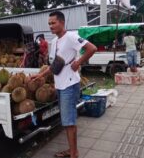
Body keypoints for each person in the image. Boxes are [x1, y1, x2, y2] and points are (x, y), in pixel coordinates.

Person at [32, 11, 97, 158]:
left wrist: (79, 62)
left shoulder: (71, 37)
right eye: (49, 23)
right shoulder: (54, 41)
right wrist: (40, 75)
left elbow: (91, 48)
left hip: (69, 84)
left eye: (53, 23)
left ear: (62, 22)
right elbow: (55, 65)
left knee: (69, 122)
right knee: (66, 121)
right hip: (59, 85)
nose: (51, 26)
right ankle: (71, 150)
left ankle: (74, 154)